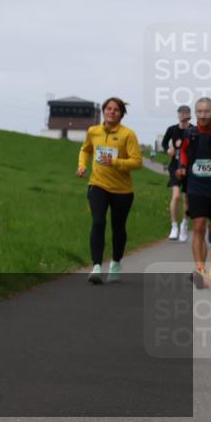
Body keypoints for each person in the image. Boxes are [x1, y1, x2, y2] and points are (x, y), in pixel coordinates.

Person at [77, 97, 143, 284]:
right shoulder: (93, 131)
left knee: (118, 228)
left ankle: (115, 263)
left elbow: (137, 162)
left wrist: (115, 162)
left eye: (116, 110)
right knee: (98, 222)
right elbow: (86, 150)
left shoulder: (128, 135)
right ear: (104, 111)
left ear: (121, 114)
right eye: (108, 108)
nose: (112, 112)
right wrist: (82, 165)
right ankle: (96, 266)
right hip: (98, 185)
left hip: (122, 190)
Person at [176, 97, 211, 289]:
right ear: (195, 113)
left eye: (207, 111)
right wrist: (182, 167)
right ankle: (199, 271)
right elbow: (182, 153)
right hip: (196, 185)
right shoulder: (190, 133)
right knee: (198, 225)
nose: (203, 115)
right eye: (199, 111)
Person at [162, 105, 194, 242]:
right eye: (181, 113)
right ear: (178, 115)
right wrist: (168, 149)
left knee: (186, 198)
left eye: (185, 113)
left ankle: (184, 225)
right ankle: (174, 226)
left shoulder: (194, 130)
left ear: (189, 114)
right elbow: (164, 143)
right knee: (175, 196)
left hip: (189, 167)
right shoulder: (172, 129)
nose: (183, 115)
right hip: (175, 165)